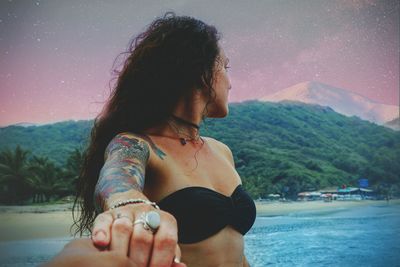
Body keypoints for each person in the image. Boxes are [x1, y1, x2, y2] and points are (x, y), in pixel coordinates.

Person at [46, 12, 256, 267]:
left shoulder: (221, 151)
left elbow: (233, 249)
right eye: (225, 66)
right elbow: (116, 178)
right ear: (200, 71)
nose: (231, 83)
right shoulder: (136, 144)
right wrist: (130, 204)